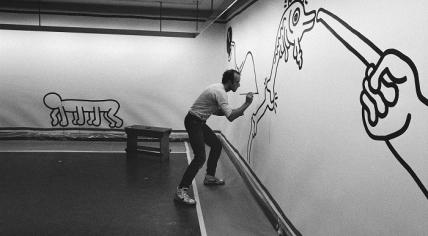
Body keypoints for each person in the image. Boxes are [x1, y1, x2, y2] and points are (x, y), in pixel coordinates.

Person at [174, 69, 254, 205]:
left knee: (216, 145)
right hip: (194, 122)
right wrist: (247, 104)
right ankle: (181, 190)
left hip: (197, 121)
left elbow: (215, 110)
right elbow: (230, 117)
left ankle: (210, 177)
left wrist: (232, 111)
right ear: (230, 82)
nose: (239, 85)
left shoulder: (217, 87)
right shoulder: (221, 93)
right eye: (237, 82)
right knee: (200, 157)